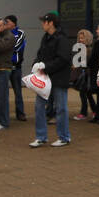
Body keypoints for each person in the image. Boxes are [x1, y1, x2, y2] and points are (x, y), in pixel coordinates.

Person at [30, 11, 74, 147]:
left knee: (61, 108)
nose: (42, 24)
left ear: (51, 23)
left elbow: (63, 59)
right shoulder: (46, 38)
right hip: (45, 78)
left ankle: (64, 137)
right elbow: (40, 54)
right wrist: (36, 64)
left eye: (44, 22)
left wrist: (45, 66)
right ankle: (41, 136)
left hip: (59, 79)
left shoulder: (62, 39)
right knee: (39, 107)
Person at [6, 15, 27, 122]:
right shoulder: (4, 32)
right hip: (5, 66)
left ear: (14, 23)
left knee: (18, 91)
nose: (6, 24)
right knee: (4, 91)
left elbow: (16, 46)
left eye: (8, 22)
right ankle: (4, 114)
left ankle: (20, 113)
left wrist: (4, 45)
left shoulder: (20, 33)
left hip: (16, 67)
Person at [72, 28, 93, 120]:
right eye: (80, 38)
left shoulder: (88, 50)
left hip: (86, 75)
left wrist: (77, 66)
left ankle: (84, 113)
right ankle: (94, 110)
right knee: (87, 94)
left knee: (84, 94)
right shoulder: (82, 49)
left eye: (83, 38)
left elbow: (86, 63)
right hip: (84, 75)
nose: (81, 40)